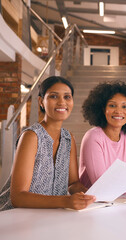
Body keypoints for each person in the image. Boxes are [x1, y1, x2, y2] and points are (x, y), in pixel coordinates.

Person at [0, 76, 96, 211]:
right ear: (41, 101)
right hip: (15, 216)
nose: (62, 102)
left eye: (67, 97)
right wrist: (66, 201)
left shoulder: (69, 139)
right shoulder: (31, 136)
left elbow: (73, 183)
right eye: (54, 96)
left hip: (49, 216)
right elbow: (18, 197)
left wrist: (91, 194)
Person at [79, 82, 126, 192]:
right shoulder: (93, 137)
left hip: (120, 200)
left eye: (124, 106)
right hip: (94, 203)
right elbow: (101, 185)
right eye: (112, 105)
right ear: (103, 109)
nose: (118, 111)